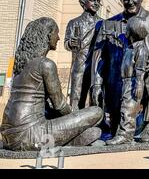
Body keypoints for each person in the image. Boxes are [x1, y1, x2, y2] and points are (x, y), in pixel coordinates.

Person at [0, 17, 103, 151]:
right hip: (30, 134)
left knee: (92, 132)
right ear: (48, 35)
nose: (59, 38)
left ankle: (75, 139)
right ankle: (70, 139)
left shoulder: (20, 63)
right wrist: (76, 118)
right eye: (56, 33)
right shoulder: (46, 64)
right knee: (97, 112)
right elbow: (60, 105)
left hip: (8, 135)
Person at [91, 0, 149, 144]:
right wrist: (96, 84)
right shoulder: (108, 24)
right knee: (112, 127)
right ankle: (124, 127)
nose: (130, 2)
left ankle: (147, 123)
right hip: (115, 79)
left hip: (143, 75)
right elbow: (98, 57)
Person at [64, 0, 102, 111]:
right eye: (92, 0)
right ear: (83, 2)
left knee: (96, 93)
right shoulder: (74, 23)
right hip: (80, 62)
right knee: (77, 93)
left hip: (97, 63)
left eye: (98, 1)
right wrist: (70, 43)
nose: (96, 3)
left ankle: (96, 119)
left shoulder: (103, 23)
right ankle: (75, 118)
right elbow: (66, 43)